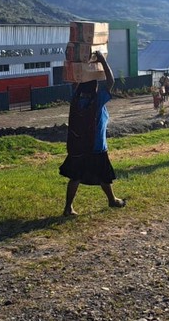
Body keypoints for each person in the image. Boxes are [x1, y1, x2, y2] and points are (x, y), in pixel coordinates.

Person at [59, 51, 126, 216]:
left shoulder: (76, 98)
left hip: (79, 145)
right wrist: (102, 60)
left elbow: (75, 82)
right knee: (104, 175)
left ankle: (69, 208)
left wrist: (80, 64)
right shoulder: (98, 100)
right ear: (94, 88)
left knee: (75, 176)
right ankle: (112, 200)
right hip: (96, 146)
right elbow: (110, 82)